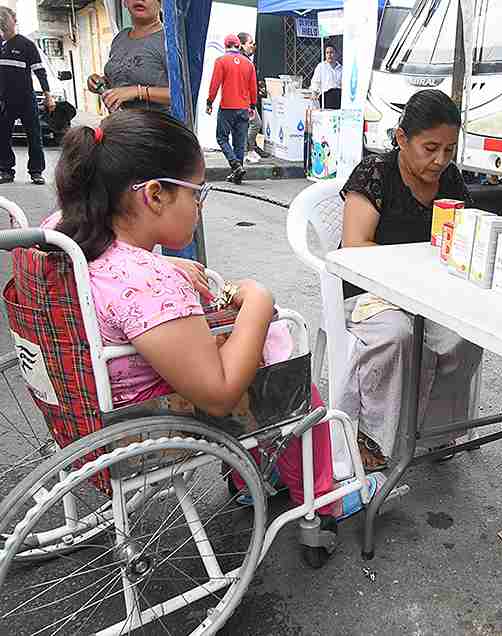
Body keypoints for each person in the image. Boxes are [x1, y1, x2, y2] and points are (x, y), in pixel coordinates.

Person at [45, 108, 336, 524]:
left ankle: (255, 476)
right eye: (195, 192)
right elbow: (217, 394)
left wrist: (167, 267)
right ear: (154, 195)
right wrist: (256, 299)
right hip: (143, 426)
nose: (199, 205)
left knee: (242, 344)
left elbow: (115, 281)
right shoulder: (149, 281)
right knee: (288, 368)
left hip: (78, 409)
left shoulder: (62, 233)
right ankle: (320, 499)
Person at [339, 89, 482, 470]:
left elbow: (466, 233)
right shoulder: (375, 173)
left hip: (428, 292)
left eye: (449, 150)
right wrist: (415, 265)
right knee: (397, 337)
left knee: (465, 335)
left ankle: (434, 431)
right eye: (430, 147)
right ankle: (372, 434)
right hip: (369, 293)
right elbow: (354, 246)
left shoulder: (448, 180)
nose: (440, 160)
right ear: (402, 138)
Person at [0, 6, 54, 185]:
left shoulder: (26, 44)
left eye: (6, 19)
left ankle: (36, 171)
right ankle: (6, 170)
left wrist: (48, 95)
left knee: (34, 136)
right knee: (3, 136)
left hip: (26, 100)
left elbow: (40, 72)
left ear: (14, 21)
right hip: (4, 102)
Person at [86, 0, 170, 113]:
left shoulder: (169, 41)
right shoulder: (121, 37)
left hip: (156, 127)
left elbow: (183, 94)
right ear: (124, 2)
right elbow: (121, 78)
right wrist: (100, 82)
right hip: (122, 124)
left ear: (161, 3)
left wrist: (138, 92)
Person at [207, 34, 258, 185]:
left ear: (225, 46)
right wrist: (253, 106)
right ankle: (238, 174)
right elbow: (253, 88)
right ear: (238, 45)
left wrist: (209, 102)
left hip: (227, 107)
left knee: (221, 138)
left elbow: (214, 84)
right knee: (239, 142)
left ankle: (235, 165)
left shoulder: (221, 61)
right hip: (243, 108)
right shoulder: (248, 64)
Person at [238, 31, 270, 161]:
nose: (253, 46)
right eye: (250, 43)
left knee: (250, 124)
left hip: (246, 98)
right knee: (256, 123)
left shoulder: (246, 59)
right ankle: (249, 148)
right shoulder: (242, 60)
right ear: (241, 45)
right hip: (244, 99)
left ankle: (250, 148)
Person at [310, 45, 342, 109]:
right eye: (327, 53)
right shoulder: (321, 66)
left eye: (331, 52)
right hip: (326, 96)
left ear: (336, 54)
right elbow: (315, 82)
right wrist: (314, 93)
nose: (329, 55)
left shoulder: (341, 68)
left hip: (338, 96)